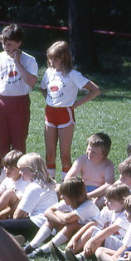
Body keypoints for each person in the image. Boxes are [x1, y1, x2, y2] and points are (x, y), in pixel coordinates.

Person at [39, 41, 101, 179]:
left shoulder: (73, 74)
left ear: (64, 58)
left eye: (55, 58)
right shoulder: (49, 72)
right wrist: (50, 99)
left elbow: (95, 90)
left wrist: (76, 104)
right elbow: (42, 88)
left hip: (65, 115)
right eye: (50, 58)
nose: (51, 61)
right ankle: (50, 184)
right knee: (49, 154)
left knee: (65, 155)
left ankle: (67, 186)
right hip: (50, 114)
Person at [0, 24, 39, 156]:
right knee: (0, 142)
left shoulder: (29, 60)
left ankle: (18, 173)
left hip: (20, 102)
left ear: (19, 43)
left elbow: (31, 82)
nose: (6, 47)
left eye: (9, 44)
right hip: (1, 102)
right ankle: (0, 173)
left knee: (18, 143)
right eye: (4, 44)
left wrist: (17, 62)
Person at [24, 178, 100, 260]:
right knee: (51, 220)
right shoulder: (69, 202)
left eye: (64, 195)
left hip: (91, 239)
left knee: (72, 224)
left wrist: (57, 213)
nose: (61, 197)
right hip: (75, 235)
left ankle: (44, 250)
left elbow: (67, 219)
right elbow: (47, 212)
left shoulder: (88, 205)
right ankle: (32, 245)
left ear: (74, 196)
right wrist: (61, 219)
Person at [64, 183, 131, 261]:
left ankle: (81, 257)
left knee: (101, 234)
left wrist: (92, 241)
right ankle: (70, 251)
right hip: (112, 240)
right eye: (106, 199)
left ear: (123, 202)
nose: (105, 202)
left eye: (110, 201)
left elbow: (110, 230)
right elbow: (93, 223)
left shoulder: (126, 215)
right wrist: (74, 238)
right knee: (94, 229)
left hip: (122, 246)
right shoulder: (108, 209)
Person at [0, 153, 58, 242]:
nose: (20, 172)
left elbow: (17, 215)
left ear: (33, 170)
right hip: (50, 229)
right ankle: (19, 237)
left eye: (23, 170)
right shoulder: (48, 183)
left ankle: (14, 238)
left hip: (37, 224)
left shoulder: (33, 187)